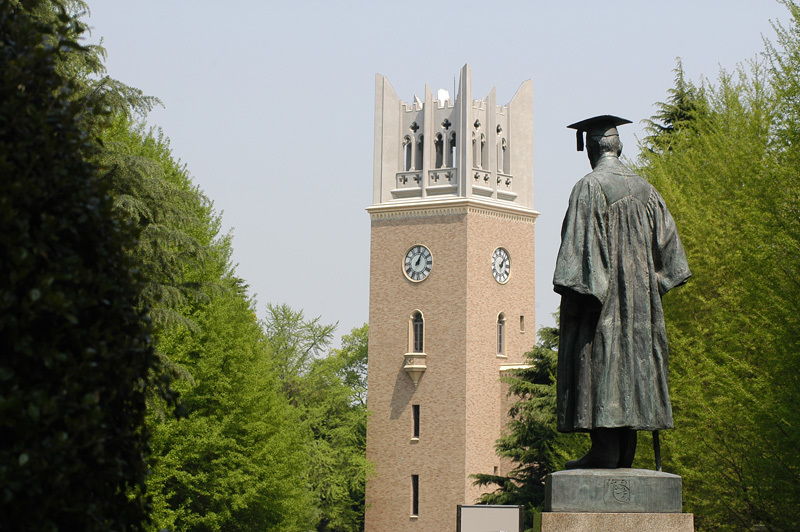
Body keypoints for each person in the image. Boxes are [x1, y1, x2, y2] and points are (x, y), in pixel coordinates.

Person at [553, 115, 691, 469]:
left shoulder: (590, 187)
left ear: (591, 148)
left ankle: (605, 450)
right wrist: (645, 291)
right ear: (619, 146)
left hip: (603, 311)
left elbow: (578, 272)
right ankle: (620, 452)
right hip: (641, 312)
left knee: (604, 361)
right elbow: (675, 265)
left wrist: (585, 301)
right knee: (633, 367)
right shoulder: (648, 191)